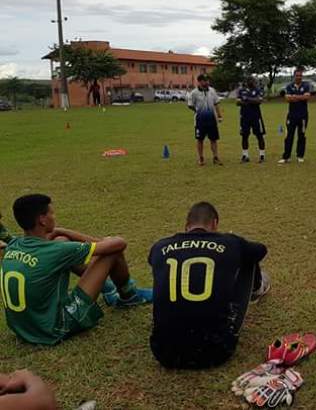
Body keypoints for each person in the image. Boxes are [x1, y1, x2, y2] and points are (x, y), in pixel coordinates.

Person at [0, 194, 152, 346]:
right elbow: (119, 244)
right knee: (112, 252)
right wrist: (64, 230)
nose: (54, 216)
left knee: (61, 240)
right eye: (51, 213)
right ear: (42, 220)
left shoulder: (13, 245)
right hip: (53, 329)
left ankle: (108, 289)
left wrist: (60, 235)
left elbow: (57, 246)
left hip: (23, 328)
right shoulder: (57, 251)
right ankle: (128, 296)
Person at [148, 202, 270, 369]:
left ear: (186, 226)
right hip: (216, 351)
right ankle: (257, 290)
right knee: (248, 256)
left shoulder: (159, 246)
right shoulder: (230, 242)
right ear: (214, 224)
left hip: (163, 353)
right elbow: (261, 250)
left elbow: (151, 262)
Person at [187, 74, 223, 166]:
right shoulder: (194, 93)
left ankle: (215, 157)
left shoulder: (212, 91)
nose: (207, 82)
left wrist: (219, 115)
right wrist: (197, 111)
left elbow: (216, 103)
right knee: (200, 139)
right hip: (200, 120)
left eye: (208, 80)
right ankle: (201, 158)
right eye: (204, 80)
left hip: (211, 118)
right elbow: (190, 105)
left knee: (213, 139)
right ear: (199, 81)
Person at [279, 68, 311, 164]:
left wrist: (294, 97)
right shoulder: (289, 86)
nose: (299, 77)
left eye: (300, 75)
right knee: (289, 136)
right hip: (292, 115)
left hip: (303, 115)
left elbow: (307, 97)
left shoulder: (306, 85)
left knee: (301, 135)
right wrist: (300, 97)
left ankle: (300, 156)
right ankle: (286, 157)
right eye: (297, 75)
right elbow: (288, 99)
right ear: (294, 76)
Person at [237, 77, 266, 163]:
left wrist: (246, 99)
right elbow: (238, 102)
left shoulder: (258, 90)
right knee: (244, 136)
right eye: (249, 81)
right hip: (244, 117)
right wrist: (252, 100)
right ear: (246, 82)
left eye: (252, 81)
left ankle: (262, 155)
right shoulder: (241, 90)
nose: (251, 82)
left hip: (256, 117)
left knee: (259, 136)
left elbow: (259, 101)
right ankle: (245, 155)